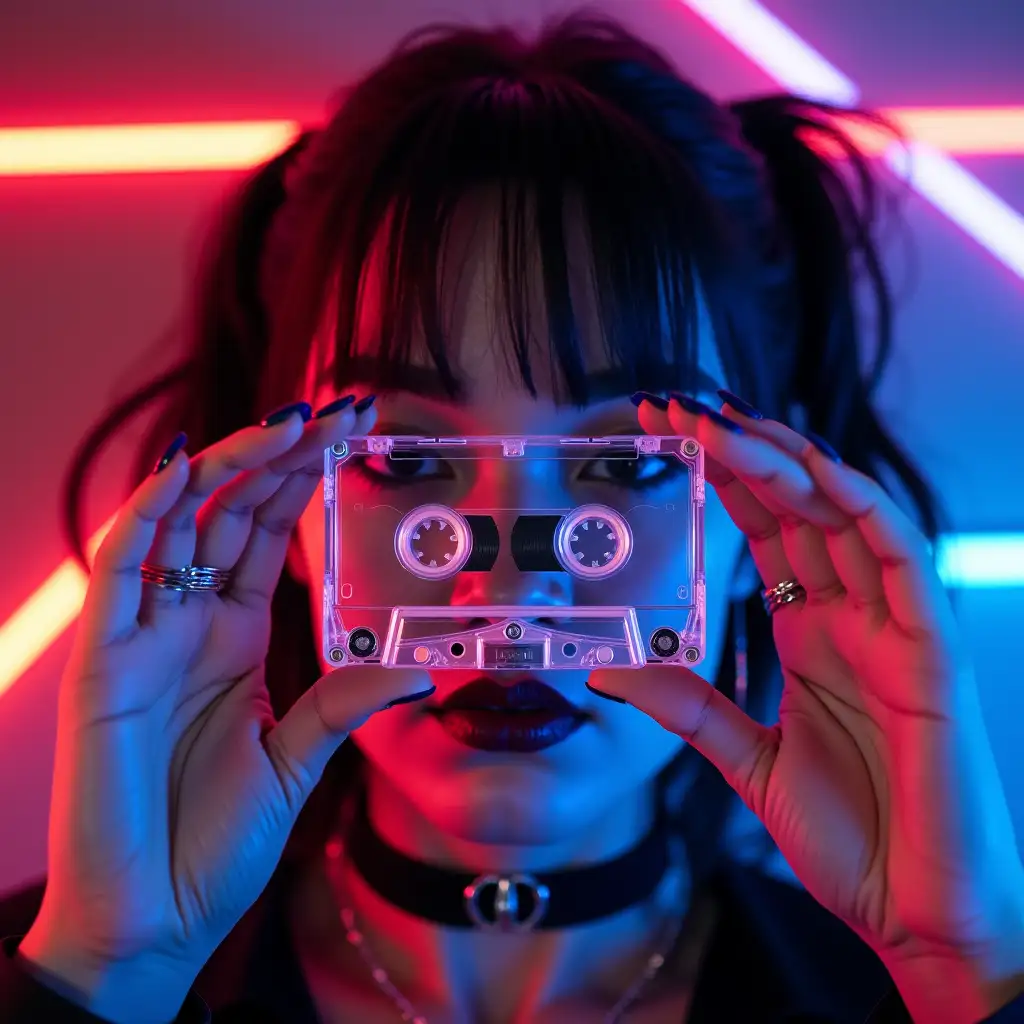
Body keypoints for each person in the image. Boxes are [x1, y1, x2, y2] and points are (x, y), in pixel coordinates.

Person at [1, 12, 1023, 1024]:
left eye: (623, 462)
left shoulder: (920, 998)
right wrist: (105, 981)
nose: (507, 594)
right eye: (403, 461)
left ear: (765, 523)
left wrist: (969, 972)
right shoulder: (64, 974)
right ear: (282, 516)